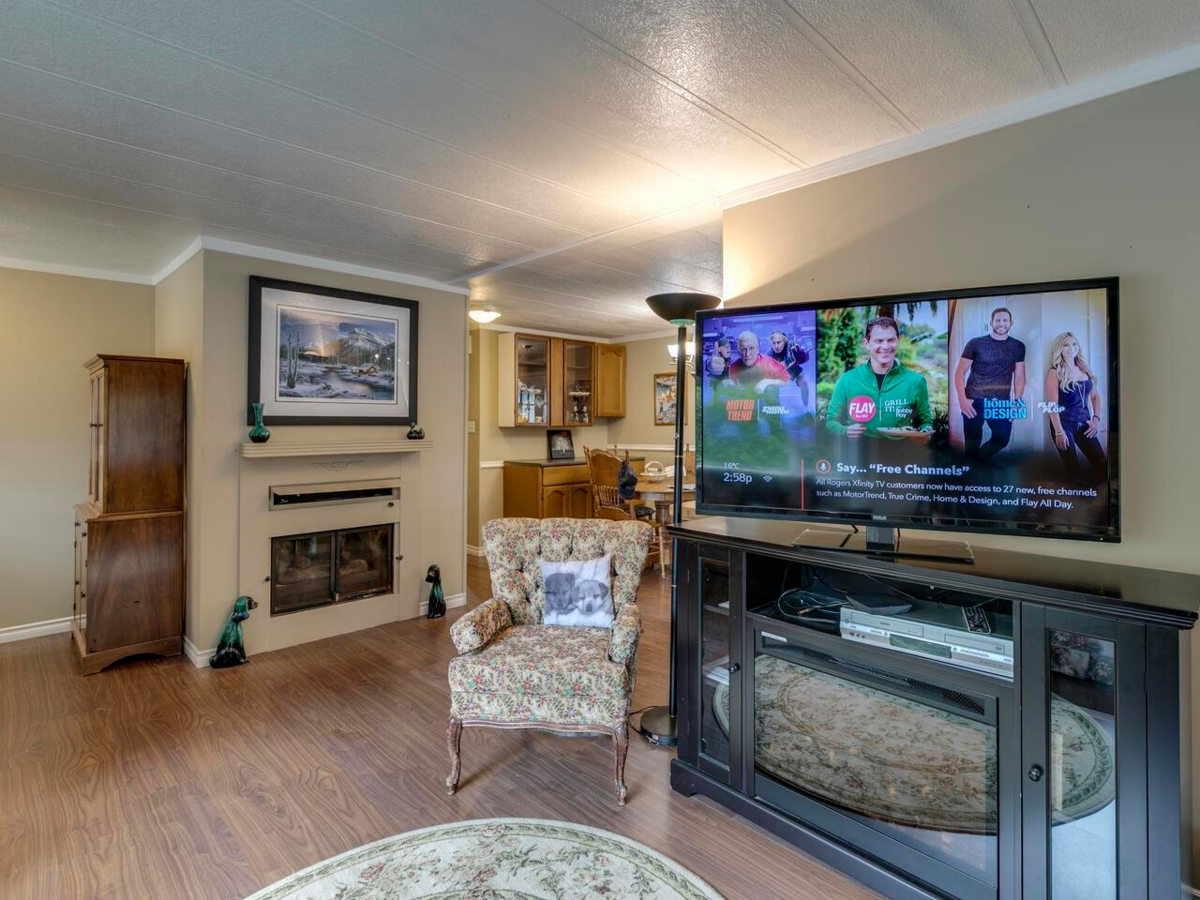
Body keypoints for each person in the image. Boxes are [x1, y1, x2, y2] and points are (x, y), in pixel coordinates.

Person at [826, 316, 932, 441]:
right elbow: (830, 422)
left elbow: (925, 423)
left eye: (891, 340)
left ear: (898, 341)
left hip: (901, 456)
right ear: (867, 343)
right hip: (858, 457)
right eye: (879, 341)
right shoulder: (847, 380)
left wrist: (925, 434)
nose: (886, 346)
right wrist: (845, 431)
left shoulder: (916, 382)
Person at [954, 307, 1027, 462]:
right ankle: (970, 476)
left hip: (1001, 403)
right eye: (998, 320)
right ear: (991, 323)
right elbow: (960, 372)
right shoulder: (975, 344)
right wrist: (962, 400)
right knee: (972, 443)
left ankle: (974, 464)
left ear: (1011, 323)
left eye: (1005, 320)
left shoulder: (1018, 346)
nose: (1001, 323)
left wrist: (1017, 402)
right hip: (974, 400)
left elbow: (1020, 376)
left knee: (1002, 438)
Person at [1044, 332, 1106, 483]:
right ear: (1060, 348)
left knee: (1101, 463)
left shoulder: (1084, 369)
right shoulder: (1054, 372)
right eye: (1066, 345)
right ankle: (1073, 503)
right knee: (1073, 470)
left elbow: (1095, 397)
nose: (1071, 348)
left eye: (1074, 344)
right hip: (1063, 426)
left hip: (1084, 424)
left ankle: (1101, 500)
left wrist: (1096, 419)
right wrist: (1059, 431)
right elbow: (1051, 405)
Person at [768, 329, 811, 407]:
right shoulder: (769, 355)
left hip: (793, 369)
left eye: (779, 342)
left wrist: (804, 357)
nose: (776, 346)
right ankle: (774, 411)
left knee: (804, 382)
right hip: (779, 374)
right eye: (774, 343)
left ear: (784, 342)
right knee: (770, 387)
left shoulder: (791, 347)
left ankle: (806, 408)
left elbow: (803, 356)